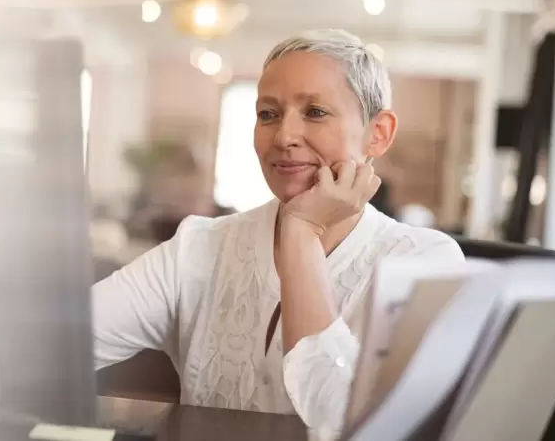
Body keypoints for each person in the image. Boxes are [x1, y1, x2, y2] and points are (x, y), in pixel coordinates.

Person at [92, 29, 464, 433]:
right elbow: (63, 341)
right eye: (268, 114)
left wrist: (302, 233)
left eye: (315, 112)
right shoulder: (200, 246)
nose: (284, 137)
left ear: (379, 133)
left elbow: (343, 425)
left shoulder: (425, 265)